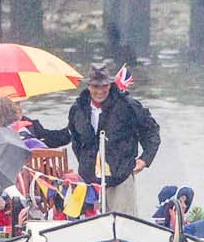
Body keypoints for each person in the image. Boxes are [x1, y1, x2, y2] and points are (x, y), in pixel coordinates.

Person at [28, 61, 161, 217]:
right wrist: (34, 131)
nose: (100, 91)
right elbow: (71, 136)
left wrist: (144, 159)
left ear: (110, 85)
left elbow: (151, 131)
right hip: (89, 181)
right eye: (96, 87)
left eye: (104, 86)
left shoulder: (128, 106)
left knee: (124, 225)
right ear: (89, 86)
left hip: (121, 177)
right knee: (91, 226)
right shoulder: (78, 109)